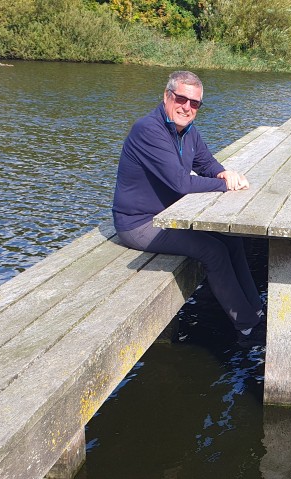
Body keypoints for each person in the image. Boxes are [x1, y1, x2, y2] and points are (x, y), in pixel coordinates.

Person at [112, 70, 264, 344]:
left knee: (232, 240)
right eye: (181, 99)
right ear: (167, 96)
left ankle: (255, 309)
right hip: (138, 224)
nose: (187, 107)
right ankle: (247, 328)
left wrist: (224, 173)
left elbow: (206, 163)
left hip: (167, 217)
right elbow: (181, 183)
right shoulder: (149, 130)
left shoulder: (187, 131)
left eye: (195, 103)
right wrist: (224, 185)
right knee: (213, 250)